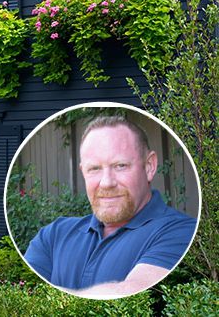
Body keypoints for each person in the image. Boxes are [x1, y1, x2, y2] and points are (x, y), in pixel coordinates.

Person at [23, 115, 197, 298]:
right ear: (83, 172)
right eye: (95, 169)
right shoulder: (53, 235)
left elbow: (132, 292)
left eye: (120, 166)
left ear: (149, 166)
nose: (106, 182)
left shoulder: (181, 231)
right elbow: (21, 294)